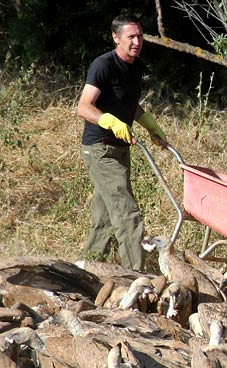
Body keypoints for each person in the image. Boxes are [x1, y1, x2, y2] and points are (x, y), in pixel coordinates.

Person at [76, 13, 166, 271]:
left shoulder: (136, 66)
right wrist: (112, 122)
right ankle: (134, 277)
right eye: (131, 37)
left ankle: (86, 270)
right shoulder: (103, 65)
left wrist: (148, 123)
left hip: (120, 149)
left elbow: (127, 103)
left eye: (140, 36)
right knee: (128, 215)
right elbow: (84, 107)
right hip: (100, 149)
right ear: (116, 38)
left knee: (104, 219)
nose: (137, 41)